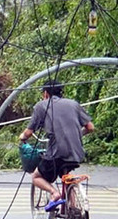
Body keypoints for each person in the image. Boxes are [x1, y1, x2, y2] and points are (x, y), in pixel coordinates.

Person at [18, 81, 95, 210]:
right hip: (76, 152)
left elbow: (29, 132)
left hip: (56, 153)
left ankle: (54, 193)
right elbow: (90, 127)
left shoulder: (41, 106)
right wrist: (76, 135)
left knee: (36, 176)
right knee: (66, 176)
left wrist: (22, 137)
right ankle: (73, 208)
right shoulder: (74, 104)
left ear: (45, 93)